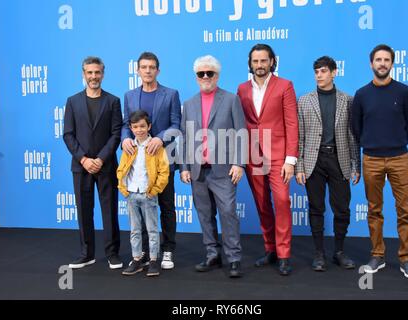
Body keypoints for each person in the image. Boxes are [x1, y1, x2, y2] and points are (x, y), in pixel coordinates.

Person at [351, 44, 408, 279]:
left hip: (399, 157)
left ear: (392, 63)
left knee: (405, 210)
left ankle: (406, 257)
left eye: (386, 60)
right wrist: (373, 144)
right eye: (378, 60)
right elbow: (356, 128)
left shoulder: (403, 91)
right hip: (371, 159)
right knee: (374, 209)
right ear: (371, 64)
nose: (382, 63)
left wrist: (395, 143)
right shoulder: (361, 95)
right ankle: (377, 254)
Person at [180, 55, 246, 278]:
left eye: (210, 73)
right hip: (198, 171)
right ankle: (212, 255)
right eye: (201, 73)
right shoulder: (188, 104)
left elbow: (241, 133)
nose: (206, 77)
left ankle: (234, 258)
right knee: (204, 215)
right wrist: (184, 167)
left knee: (228, 213)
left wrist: (239, 162)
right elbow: (185, 138)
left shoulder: (230, 99)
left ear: (217, 75)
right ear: (196, 77)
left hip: (223, 171)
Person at [237, 44, 298, 276]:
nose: (260, 65)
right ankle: (270, 249)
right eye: (255, 61)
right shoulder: (242, 89)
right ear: (250, 64)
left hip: (279, 156)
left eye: (264, 61)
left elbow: (292, 123)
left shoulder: (285, 86)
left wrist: (290, 159)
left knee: (282, 202)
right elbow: (241, 123)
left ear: (272, 61)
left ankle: (284, 254)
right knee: (262, 204)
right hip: (253, 155)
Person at [296, 56, 360, 272]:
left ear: (334, 72)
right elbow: (300, 137)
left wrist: (355, 166)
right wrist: (300, 167)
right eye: (316, 72)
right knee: (316, 208)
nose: (319, 75)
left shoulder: (348, 101)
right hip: (314, 161)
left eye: (323, 71)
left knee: (342, 209)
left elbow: (353, 136)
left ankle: (339, 251)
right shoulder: (304, 101)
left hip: (339, 159)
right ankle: (319, 253)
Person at [121, 52, 181, 270]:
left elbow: (176, 124)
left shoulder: (171, 94)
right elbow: (125, 125)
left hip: (162, 162)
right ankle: (145, 251)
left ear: (158, 70)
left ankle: (167, 250)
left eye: (152, 67)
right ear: (137, 70)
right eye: (144, 67)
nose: (148, 70)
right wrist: (125, 139)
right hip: (137, 165)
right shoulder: (129, 96)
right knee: (140, 209)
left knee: (166, 206)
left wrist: (160, 137)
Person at [63, 56, 123, 269]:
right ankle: (86, 253)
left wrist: (100, 159)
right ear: (83, 74)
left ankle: (112, 254)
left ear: (103, 74)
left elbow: (116, 134)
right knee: (84, 210)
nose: (93, 76)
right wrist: (84, 159)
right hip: (81, 167)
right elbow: (68, 135)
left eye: (97, 72)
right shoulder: (72, 101)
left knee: (109, 210)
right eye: (89, 72)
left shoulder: (113, 101)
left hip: (105, 165)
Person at [117, 110, 169, 277]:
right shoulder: (128, 147)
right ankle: (137, 259)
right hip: (132, 194)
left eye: (142, 126)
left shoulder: (156, 147)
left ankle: (154, 260)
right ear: (131, 129)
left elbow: (164, 171)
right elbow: (122, 169)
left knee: (152, 229)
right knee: (135, 230)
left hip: (148, 194)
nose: (139, 130)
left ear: (149, 126)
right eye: (135, 127)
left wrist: (154, 190)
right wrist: (123, 188)